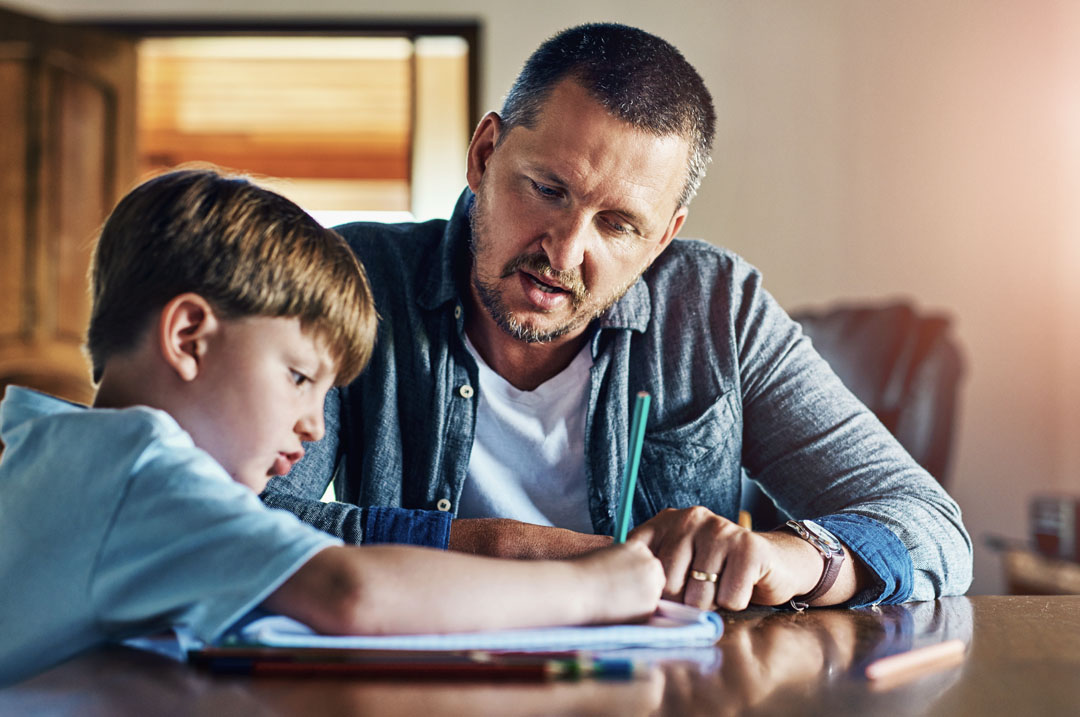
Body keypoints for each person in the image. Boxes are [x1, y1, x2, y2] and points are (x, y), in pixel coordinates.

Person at [264, 23, 972, 612]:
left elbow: (930, 524)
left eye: (620, 225)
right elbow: (229, 522)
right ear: (484, 155)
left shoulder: (717, 306)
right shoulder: (353, 278)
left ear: (664, 236)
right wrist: (517, 551)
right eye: (547, 189)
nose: (565, 251)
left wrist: (796, 558)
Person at [0, 169, 665, 687]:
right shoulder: (145, 470)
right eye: (297, 376)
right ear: (189, 335)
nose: (316, 426)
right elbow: (350, 592)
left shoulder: (49, 445)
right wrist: (595, 585)